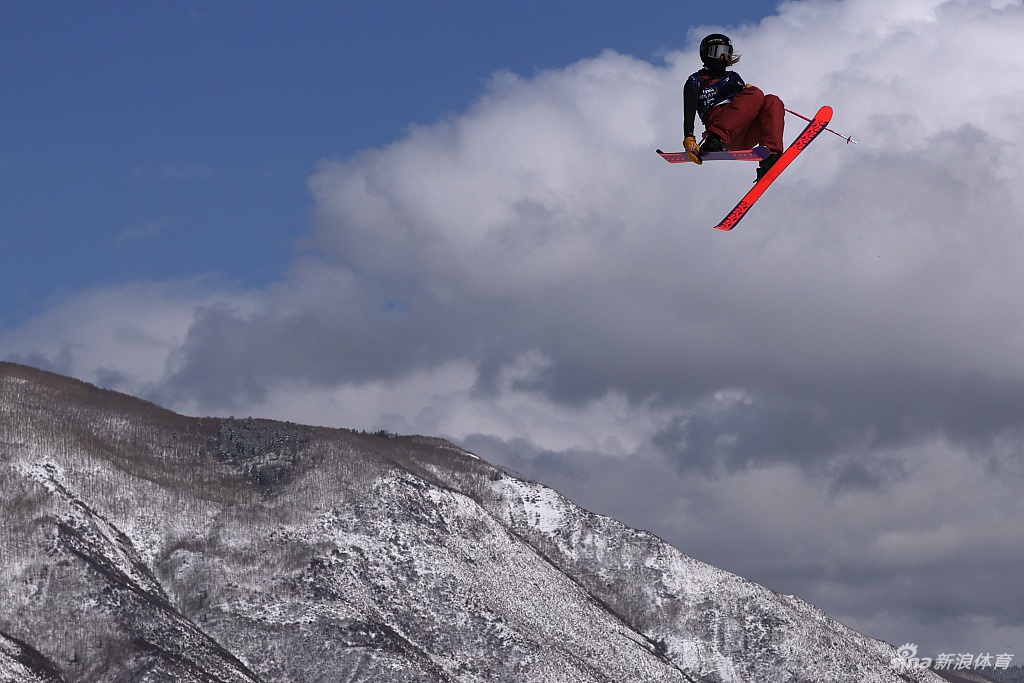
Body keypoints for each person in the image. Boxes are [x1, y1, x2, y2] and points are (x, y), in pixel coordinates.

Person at [683, 34, 785, 182]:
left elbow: (746, 108)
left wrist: (746, 93)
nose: (722, 57)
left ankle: (771, 156)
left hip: (743, 131)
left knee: (772, 100)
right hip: (719, 126)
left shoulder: (733, 78)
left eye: (726, 52)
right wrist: (689, 138)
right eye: (717, 52)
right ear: (705, 54)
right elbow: (689, 111)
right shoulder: (696, 81)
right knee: (756, 93)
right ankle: (715, 139)